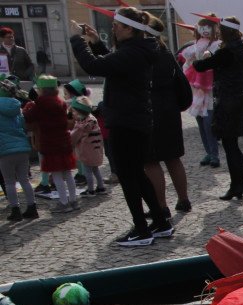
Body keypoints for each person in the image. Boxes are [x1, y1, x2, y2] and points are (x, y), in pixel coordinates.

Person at [71, 7, 173, 245]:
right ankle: (159, 222)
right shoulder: (138, 49)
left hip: (126, 121)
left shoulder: (134, 52)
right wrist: (96, 44)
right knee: (136, 173)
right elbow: (114, 66)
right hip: (134, 119)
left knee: (128, 176)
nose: (113, 30)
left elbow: (95, 67)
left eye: (116, 26)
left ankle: (141, 229)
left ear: (129, 28)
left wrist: (77, 39)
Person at [193, 15, 243, 201]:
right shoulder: (242, 47)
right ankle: (242, 183)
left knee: (230, 146)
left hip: (227, 100)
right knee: (233, 145)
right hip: (237, 99)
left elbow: (200, 66)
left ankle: (237, 185)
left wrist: (206, 55)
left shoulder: (226, 52)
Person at [144, 15, 192, 216]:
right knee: (173, 157)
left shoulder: (144, 54)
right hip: (170, 108)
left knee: (151, 160)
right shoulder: (166, 52)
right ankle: (183, 199)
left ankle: (161, 205)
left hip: (152, 108)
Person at [24, 75, 78, 213]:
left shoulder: (40, 103)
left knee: (57, 173)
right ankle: (73, 200)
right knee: (67, 172)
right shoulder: (60, 101)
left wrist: (26, 109)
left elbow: (29, 118)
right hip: (64, 140)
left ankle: (63, 202)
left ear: (41, 89)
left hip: (50, 141)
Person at [182, 17, 220, 167]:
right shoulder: (198, 45)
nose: (205, 30)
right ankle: (208, 152)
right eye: (202, 27)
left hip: (210, 88)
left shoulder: (217, 45)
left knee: (208, 122)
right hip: (197, 88)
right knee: (200, 120)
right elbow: (187, 61)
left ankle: (214, 154)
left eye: (208, 27)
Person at [0, 76, 36, 221]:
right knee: (24, 179)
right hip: (22, 147)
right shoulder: (17, 107)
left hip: (5, 149)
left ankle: (15, 210)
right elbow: (22, 126)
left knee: (9, 181)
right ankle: (32, 208)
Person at [69, 96, 105, 197]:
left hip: (87, 152)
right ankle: (101, 187)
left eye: (74, 112)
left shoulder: (82, 125)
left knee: (88, 171)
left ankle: (91, 190)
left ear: (80, 112)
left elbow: (73, 138)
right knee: (95, 169)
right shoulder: (92, 120)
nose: (73, 114)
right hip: (95, 150)